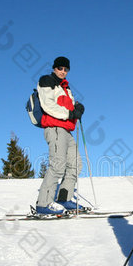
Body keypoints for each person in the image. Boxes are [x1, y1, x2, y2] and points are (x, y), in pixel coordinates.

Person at [35, 56, 85, 215]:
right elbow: (48, 105)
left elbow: (70, 105)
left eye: (65, 69)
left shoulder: (66, 88)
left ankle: (64, 198)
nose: (63, 72)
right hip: (55, 128)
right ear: (54, 68)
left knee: (75, 164)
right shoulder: (46, 81)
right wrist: (70, 113)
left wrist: (78, 107)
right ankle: (43, 203)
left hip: (67, 130)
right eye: (60, 68)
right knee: (57, 165)